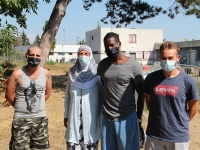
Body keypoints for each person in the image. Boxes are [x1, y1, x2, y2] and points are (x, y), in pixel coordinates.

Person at [143, 41, 199, 150]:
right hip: (154, 135)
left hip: (178, 137)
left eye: (170, 58)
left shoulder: (188, 81)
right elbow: (149, 103)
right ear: (159, 58)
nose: (167, 61)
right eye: (164, 58)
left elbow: (194, 107)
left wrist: (180, 123)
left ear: (178, 58)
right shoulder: (151, 78)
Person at [97, 32, 144, 150]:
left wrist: (138, 118)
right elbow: (103, 86)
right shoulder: (103, 64)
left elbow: (141, 93)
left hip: (127, 117)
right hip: (107, 117)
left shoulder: (133, 66)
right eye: (106, 46)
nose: (109, 48)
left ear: (119, 44)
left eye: (112, 45)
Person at [5, 45, 52, 150]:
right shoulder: (17, 74)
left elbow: (48, 94)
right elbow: (8, 95)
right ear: (27, 56)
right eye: (31, 55)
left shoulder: (46, 74)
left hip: (40, 120)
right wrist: (19, 106)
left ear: (41, 57)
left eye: (37, 55)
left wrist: (37, 103)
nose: (34, 57)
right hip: (21, 120)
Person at [64, 45, 102, 150]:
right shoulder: (72, 73)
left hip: (92, 120)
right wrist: (66, 114)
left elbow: (102, 95)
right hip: (74, 119)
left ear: (91, 56)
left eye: (86, 54)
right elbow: (67, 96)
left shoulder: (97, 73)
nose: (83, 56)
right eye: (81, 54)